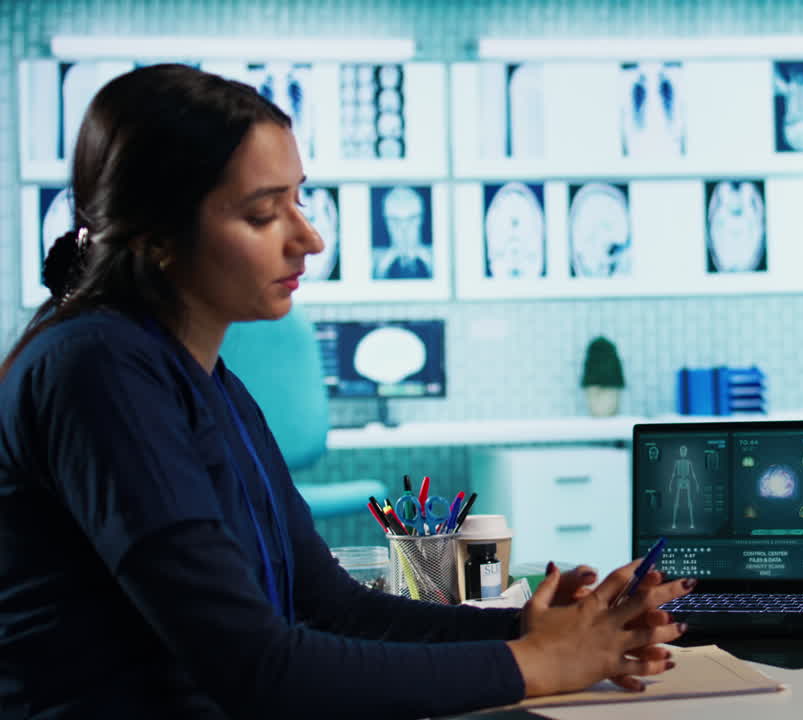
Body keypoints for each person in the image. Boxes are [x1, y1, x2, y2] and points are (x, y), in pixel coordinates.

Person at [0, 64, 692, 718]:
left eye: (299, 199)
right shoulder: (97, 370)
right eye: (264, 214)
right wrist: (538, 664)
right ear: (157, 239)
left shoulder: (206, 379)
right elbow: (259, 670)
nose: (310, 238)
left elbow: (330, 609)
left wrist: (532, 630)